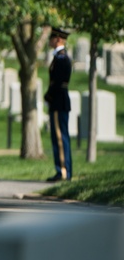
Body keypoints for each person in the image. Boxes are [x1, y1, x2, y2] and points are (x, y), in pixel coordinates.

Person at [44, 27, 73, 182]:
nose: (50, 41)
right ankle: (62, 169)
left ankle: (63, 171)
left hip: (58, 101)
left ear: (58, 39)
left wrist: (48, 95)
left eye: (52, 38)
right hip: (58, 101)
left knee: (60, 138)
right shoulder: (59, 57)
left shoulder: (61, 58)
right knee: (58, 137)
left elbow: (58, 82)